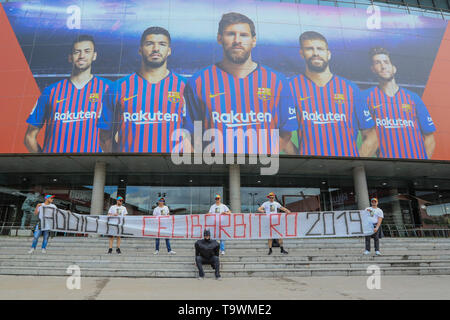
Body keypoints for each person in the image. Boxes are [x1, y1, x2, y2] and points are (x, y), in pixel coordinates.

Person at [183, 12, 298, 155]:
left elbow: (286, 133)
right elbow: (192, 133)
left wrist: (261, 157)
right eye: (231, 34)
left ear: (254, 40)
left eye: (243, 35)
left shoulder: (278, 81)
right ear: (219, 38)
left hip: (262, 170)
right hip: (216, 169)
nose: (237, 40)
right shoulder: (198, 81)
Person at [288, 31, 378, 157]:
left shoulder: (350, 88)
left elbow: (371, 133)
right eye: (309, 49)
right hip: (308, 169)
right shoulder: (290, 86)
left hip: (347, 172)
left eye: (320, 49)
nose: (315, 53)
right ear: (301, 53)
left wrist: (354, 163)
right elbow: (277, 130)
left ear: (328, 54)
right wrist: (299, 159)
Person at [98, 26, 186, 153]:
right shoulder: (117, 87)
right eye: (149, 44)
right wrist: (121, 163)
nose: (156, 49)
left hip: (175, 170)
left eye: (162, 44)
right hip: (129, 170)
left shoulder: (186, 86)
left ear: (169, 50)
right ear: (140, 49)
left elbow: (197, 134)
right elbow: (105, 136)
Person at [25, 35, 111, 153]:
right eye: (77, 52)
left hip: (95, 167)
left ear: (94, 56)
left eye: (87, 51)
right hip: (57, 168)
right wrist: (44, 163)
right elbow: (29, 137)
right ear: (70, 57)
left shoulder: (109, 88)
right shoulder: (50, 91)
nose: (82, 56)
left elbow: (120, 133)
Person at [363, 47, 436, 159]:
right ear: (372, 69)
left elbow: (430, 138)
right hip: (385, 168)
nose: (383, 66)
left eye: (386, 62)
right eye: (378, 63)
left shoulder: (413, 98)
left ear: (394, 68)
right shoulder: (365, 97)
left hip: (415, 168)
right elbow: (365, 135)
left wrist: (422, 166)